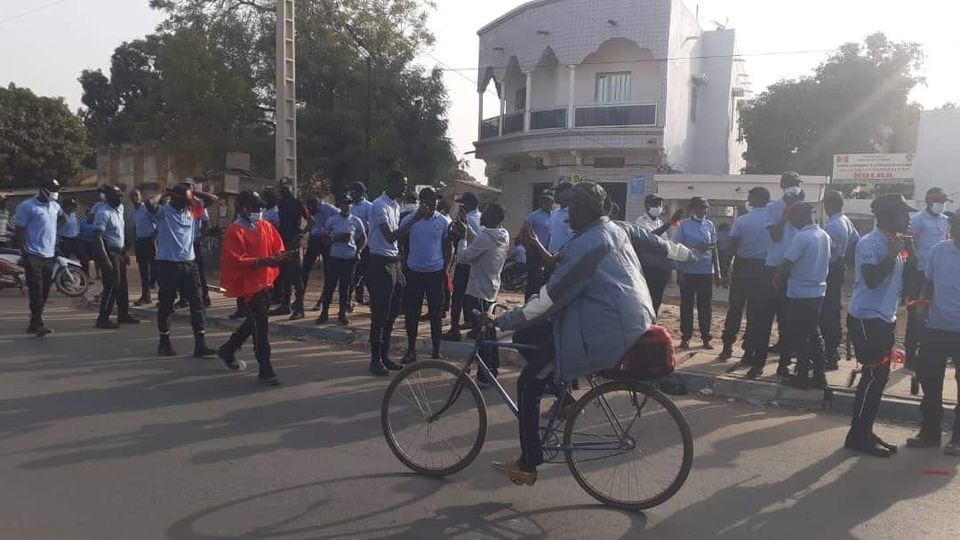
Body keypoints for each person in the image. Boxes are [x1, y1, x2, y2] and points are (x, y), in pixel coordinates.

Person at [489, 182, 656, 485]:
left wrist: (502, 320)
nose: (566, 216)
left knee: (527, 383)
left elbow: (551, 299)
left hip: (600, 328)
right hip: (624, 317)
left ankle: (528, 463)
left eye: (571, 209)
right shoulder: (612, 230)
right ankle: (562, 394)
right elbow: (561, 268)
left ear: (584, 209)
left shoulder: (587, 244)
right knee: (526, 340)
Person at [845, 193, 915, 458]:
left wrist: (907, 253)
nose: (908, 219)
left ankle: (865, 431)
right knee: (873, 378)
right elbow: (872, 279)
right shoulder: (870, 243)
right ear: (888, 216)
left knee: (879, 379)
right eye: (903, 214)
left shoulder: (894, 243)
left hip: (885, 318)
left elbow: (906, 280)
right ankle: (857, 435)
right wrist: (892, 254)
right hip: (866, 318)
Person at [217, 190, 287, 386]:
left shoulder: (265, 226)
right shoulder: (235, 230)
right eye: (255, 208)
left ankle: (228, 349)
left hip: (265, 282)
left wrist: (281, 257)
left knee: (255, 321)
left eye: (260, 208)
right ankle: (265, 368)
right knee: (260, 326)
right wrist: (263, 260)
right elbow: (235, 259)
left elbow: (277, 246)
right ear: (244, 208)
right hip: (248, 286)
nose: (259, 211)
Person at [907, 212, 960, 455]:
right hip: (936, 328)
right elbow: (928, 281)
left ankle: (957, 439)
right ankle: (929, 433)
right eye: (956, 226)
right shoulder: (939, 250)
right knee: (929, 381)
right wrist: (921, 304)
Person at [147, 182, 220, 358]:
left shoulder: (190, 211)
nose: (188, 204)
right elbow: (150, 204)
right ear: (174, 199)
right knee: (166, 305)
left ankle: (200, 345)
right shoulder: (164, 212)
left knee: (197, 304)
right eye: (185, 201)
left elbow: (213, 199)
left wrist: (193, 192)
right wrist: (165, 193)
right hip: (167, 264)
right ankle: (164, 343)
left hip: (189, 263)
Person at [746, 172, 805, 376]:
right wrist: (786, 215)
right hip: (773, 268)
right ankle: (758, 363)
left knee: (787, 320)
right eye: (790, 184)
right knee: (764, 318)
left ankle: (784, 365)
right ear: (782, 185)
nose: (794, 188)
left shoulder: (803, 209)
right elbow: (776, 235)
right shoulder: (773, 208)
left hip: (793, 270)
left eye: (797, 184)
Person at [770, 202, 830, 387]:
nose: (791, 222)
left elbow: (787, 263)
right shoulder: (823, 235)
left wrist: (776, 281)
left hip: (800, 293)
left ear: (802, 216)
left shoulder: (802, 237)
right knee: (813, 333)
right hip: (818, 291)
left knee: (800, 335)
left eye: (792, 218)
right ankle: (819, 374)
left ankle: (803, 374)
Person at [456, 202, 510, 387]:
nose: (481, 216)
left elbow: (463, 257)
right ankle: (491, 371)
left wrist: (461, 238)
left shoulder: (486, 238)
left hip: (477, 291)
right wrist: (467, 229)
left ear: (494, 217)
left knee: (482, 336)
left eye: (485, 213)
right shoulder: (502, 235)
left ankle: (484, 376)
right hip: (490, 289)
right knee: (489, 333)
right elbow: (479, 243)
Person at [399, 187, 452, 364]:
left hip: (435, 274)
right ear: (422, 202)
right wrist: (405, 266)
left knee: (436, 313)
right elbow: (402, 244)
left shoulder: (443, 222)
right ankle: (411, 350)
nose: (434, 203)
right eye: (430, 200)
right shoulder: (409, 220)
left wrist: (444, 266)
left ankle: (436, 351)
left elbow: (447, 246)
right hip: (414, 273)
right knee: (412, 313)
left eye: (435, 200)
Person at [720, 187, 771, 362]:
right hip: (764, 269)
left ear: (757, 199)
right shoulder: (773, 221)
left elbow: (731, 247)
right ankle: (749, 352)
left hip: (743, 268)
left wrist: (724, 270)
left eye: (750, 197)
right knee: (755, 313)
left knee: (735, 309)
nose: (748, 201)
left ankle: (727, 347)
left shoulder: (742, 221)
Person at [367, 170, 410, 375]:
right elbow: (390, 237)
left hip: (394, 263)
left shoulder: (395, 206)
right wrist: (416, 218)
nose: (404, 188)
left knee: (393, 313)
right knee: (380, 314)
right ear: (391, 183)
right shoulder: (379, 205)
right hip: (380, 262)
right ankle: (375, 360)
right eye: (401, 184)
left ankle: (384, 356)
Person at [904, 187, 952, 373]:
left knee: (934, 314)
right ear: (930, 202)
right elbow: (909, 239)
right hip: (920, 272)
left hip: (939, 274)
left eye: (944, 202)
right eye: (940, 201)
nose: (943, 205)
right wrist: (914, 256)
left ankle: (926, 356)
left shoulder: (946, 221)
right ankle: (910, 355)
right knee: (915, 314)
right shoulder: (918, 220)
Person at [14, 178, 63, 336]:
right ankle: (39, 323)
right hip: (33, 254)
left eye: (57, 190)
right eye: (52, 189)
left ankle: (33, 323)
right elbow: (19, 232)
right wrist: (24, 254)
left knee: (44, 291)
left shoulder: (55, 207)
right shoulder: (26, 206)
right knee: (36, 290)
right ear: (42, 189)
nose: (55, 193)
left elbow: (62, 219)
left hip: (49, 255)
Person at [820, 190, 860, 370]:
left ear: (828, 205)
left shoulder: (833, 225)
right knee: (833, 310)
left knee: (826, 313)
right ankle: (832, 351)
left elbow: (826, 252)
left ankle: (829, 354)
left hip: (830, 269)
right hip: (838, 269)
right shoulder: (846, 221)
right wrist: (847, 261)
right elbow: (856, 242)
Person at [674, 196, 720, 350]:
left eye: (706, 208)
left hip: (705, 271)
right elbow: (677, 250)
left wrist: (716, 271)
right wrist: (679, 272)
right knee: (686, 305)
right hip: (688, 271)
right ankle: (686, 337)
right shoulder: (683, 226)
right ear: (693, 208)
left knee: (705, 306)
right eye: (701, 207)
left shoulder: (710, 225)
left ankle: (706, 337)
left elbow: (714, 249)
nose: (704, 210)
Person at [92, 186, 139, 329]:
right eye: (116, 196)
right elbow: (97, 237)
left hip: (119, 251)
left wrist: (124, 253)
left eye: (120, 195)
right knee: (112, 285)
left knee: (122, 285)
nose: (120, 198)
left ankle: (123, 314)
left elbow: (120, 233)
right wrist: (105, 259)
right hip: (109, 251)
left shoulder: (120, 209)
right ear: (108, 198)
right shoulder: (103, 213)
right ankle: (103, 318)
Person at [317, 193, 366, 325]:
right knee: (329, 286)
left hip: (349, 258)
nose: (347, 206)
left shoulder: (356, 220)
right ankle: (324, 313)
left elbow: (363, 237)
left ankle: (342, 313)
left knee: (345, 288)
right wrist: (331, 238)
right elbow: (324, 238)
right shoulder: (332, 220)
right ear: (340, 205)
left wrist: (358, 251)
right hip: (335, 257)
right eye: (345, 203)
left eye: (349, 203)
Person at [634, 194, 685, 313]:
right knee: (646, 298)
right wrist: (670, 222)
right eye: (655, 204)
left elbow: (664, 242)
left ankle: (653, 322)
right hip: (647, 266)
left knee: (657, 299)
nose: (658, 207)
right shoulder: (641, 221)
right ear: (647, 205)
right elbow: (649, 237)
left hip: (660, 266)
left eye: (660, 204)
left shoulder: (659, 222)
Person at [271, 178, 311, 320]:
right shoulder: (279, 204)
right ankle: (285, 305)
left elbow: (311, 221)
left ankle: (299, 308)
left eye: (286, 189)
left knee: (296, 276)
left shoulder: (298, 203)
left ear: (291, 189)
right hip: (282, 242)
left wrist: (301, 234)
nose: (284, 191)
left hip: (293, 243)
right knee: (284, 275)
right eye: (282, 189)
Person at [444, 191, 482, 341]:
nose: (461, 206)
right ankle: (475, 329)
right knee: (472, 297)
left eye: (463, 203)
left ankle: (454, 330)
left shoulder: (467, 220)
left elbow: (456, 236)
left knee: (458, 298)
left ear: (468, 204)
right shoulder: (481, 218)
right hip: (475, 263)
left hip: (464, 261)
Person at [302, 195, 339, 309]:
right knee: (304, 269)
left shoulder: (330, 209)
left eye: (314, 209)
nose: (313, 212)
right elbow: (310, 222)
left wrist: (332, 234)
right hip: (314, 240)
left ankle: (322, 301)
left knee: (328, 271)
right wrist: (303, 233)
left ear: (319, 205)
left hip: (326, 241)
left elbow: (340, 219)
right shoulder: (310, 210)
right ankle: (299, 298)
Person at [129, 189, 158, 306]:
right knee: (143, 270)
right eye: (132, 196)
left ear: (140, 196)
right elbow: (135, 227)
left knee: (156, 268)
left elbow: (157, 223)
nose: (134, 198)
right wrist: (133, 241)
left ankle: (164, 293)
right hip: (140, 241)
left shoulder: (146, 209)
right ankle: (146, 296)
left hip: (150, 241)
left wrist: (154, 239)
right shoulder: (133, 211)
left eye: (136, 195)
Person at [522, 190, 553, 300]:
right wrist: (529, 250)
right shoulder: (533, 216)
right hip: (535, 251)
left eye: (548, 200)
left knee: (545, 281)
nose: (546, 202)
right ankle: (528, 306)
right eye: (543, 199)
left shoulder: (554, 216)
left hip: (549, 251)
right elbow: (524, 234)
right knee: (533, 281)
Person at [348, 181, 374, 306]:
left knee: (367, 272)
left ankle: (373, 298)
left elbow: (372, 226)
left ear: (361, 193)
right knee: (353, 273)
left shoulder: (369, 207)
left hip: (365, 243)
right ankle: (353, 299)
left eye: (354, 192)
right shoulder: (350, 206)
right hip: (350, 243)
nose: (352, 194)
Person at [547, 182, 575, 255]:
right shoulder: (554, 213)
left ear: (569, 192)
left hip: (568, 258)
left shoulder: (575, 214)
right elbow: (552, 236)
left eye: (558, 191)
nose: (554, 194)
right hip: (552, 257)